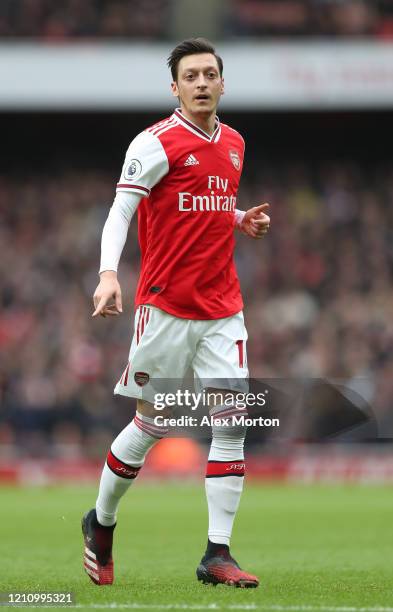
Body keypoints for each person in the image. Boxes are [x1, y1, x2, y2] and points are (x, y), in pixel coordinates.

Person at [82, 37, 270, 589]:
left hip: (223, 308)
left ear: (222, 82)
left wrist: (238, 220)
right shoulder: (155, 143)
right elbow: (122, 212)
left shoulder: (234, 143)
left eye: (210, 74)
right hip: (165, 306)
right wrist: (109, 274)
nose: (203, 83)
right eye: (192, 76)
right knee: (154, 424)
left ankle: (217, 553)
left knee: (231, 425)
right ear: (176, 87)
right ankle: (101, 520)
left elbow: (201, 204)